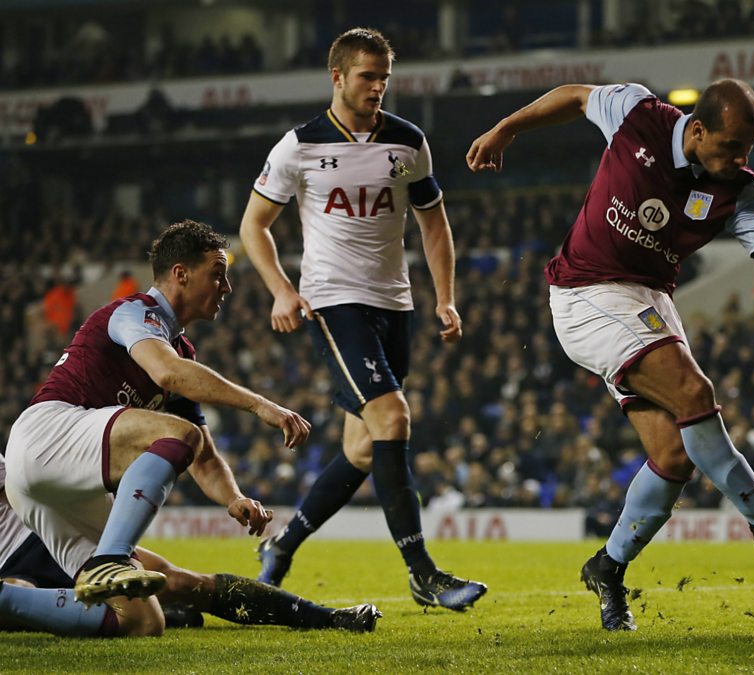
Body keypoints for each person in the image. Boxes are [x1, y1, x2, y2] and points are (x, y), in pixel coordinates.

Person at [467, 79, 754, 631]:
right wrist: (506, 128)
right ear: (696, 130)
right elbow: (577, 96)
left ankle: (608, 567)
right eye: (731, 148)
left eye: (749, 149)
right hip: (587, 291)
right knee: (694, 392)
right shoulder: (637, 113)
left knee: (674, 458)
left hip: (648, 301)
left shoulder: (740, 189)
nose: (741, 159)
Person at [239, 27, 486, 611]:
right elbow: (253, 225)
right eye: (367, 77)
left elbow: (433, 222)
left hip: (393, 304)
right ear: (337, 77)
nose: (377, 87)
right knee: (393, 416)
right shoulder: (297, 147)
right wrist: (281, 291)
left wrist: (444, 298)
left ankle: (282, 543)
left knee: (360, 448)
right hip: (332, 299)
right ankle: (423, 574)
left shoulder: (407, 142)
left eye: (384, 78)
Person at [3, 219, 314, 637]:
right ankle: (109, 558)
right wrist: (260, 405)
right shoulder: (135, 312)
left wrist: (234, 497)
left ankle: (6, 600)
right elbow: (168, 375)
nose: (227, 287)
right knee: (176, 434)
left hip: (49, 491)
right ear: (181, 274)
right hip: (47, 436)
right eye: (217, 274)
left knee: (140, 621)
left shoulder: (180, 349)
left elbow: (200, 450)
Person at [0, 471, 380, 636]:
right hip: (9, 572)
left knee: (181, 582)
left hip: (45, 540)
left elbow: (18, 490)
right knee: (15, 596)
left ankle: (327, 618)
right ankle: (165, 614)